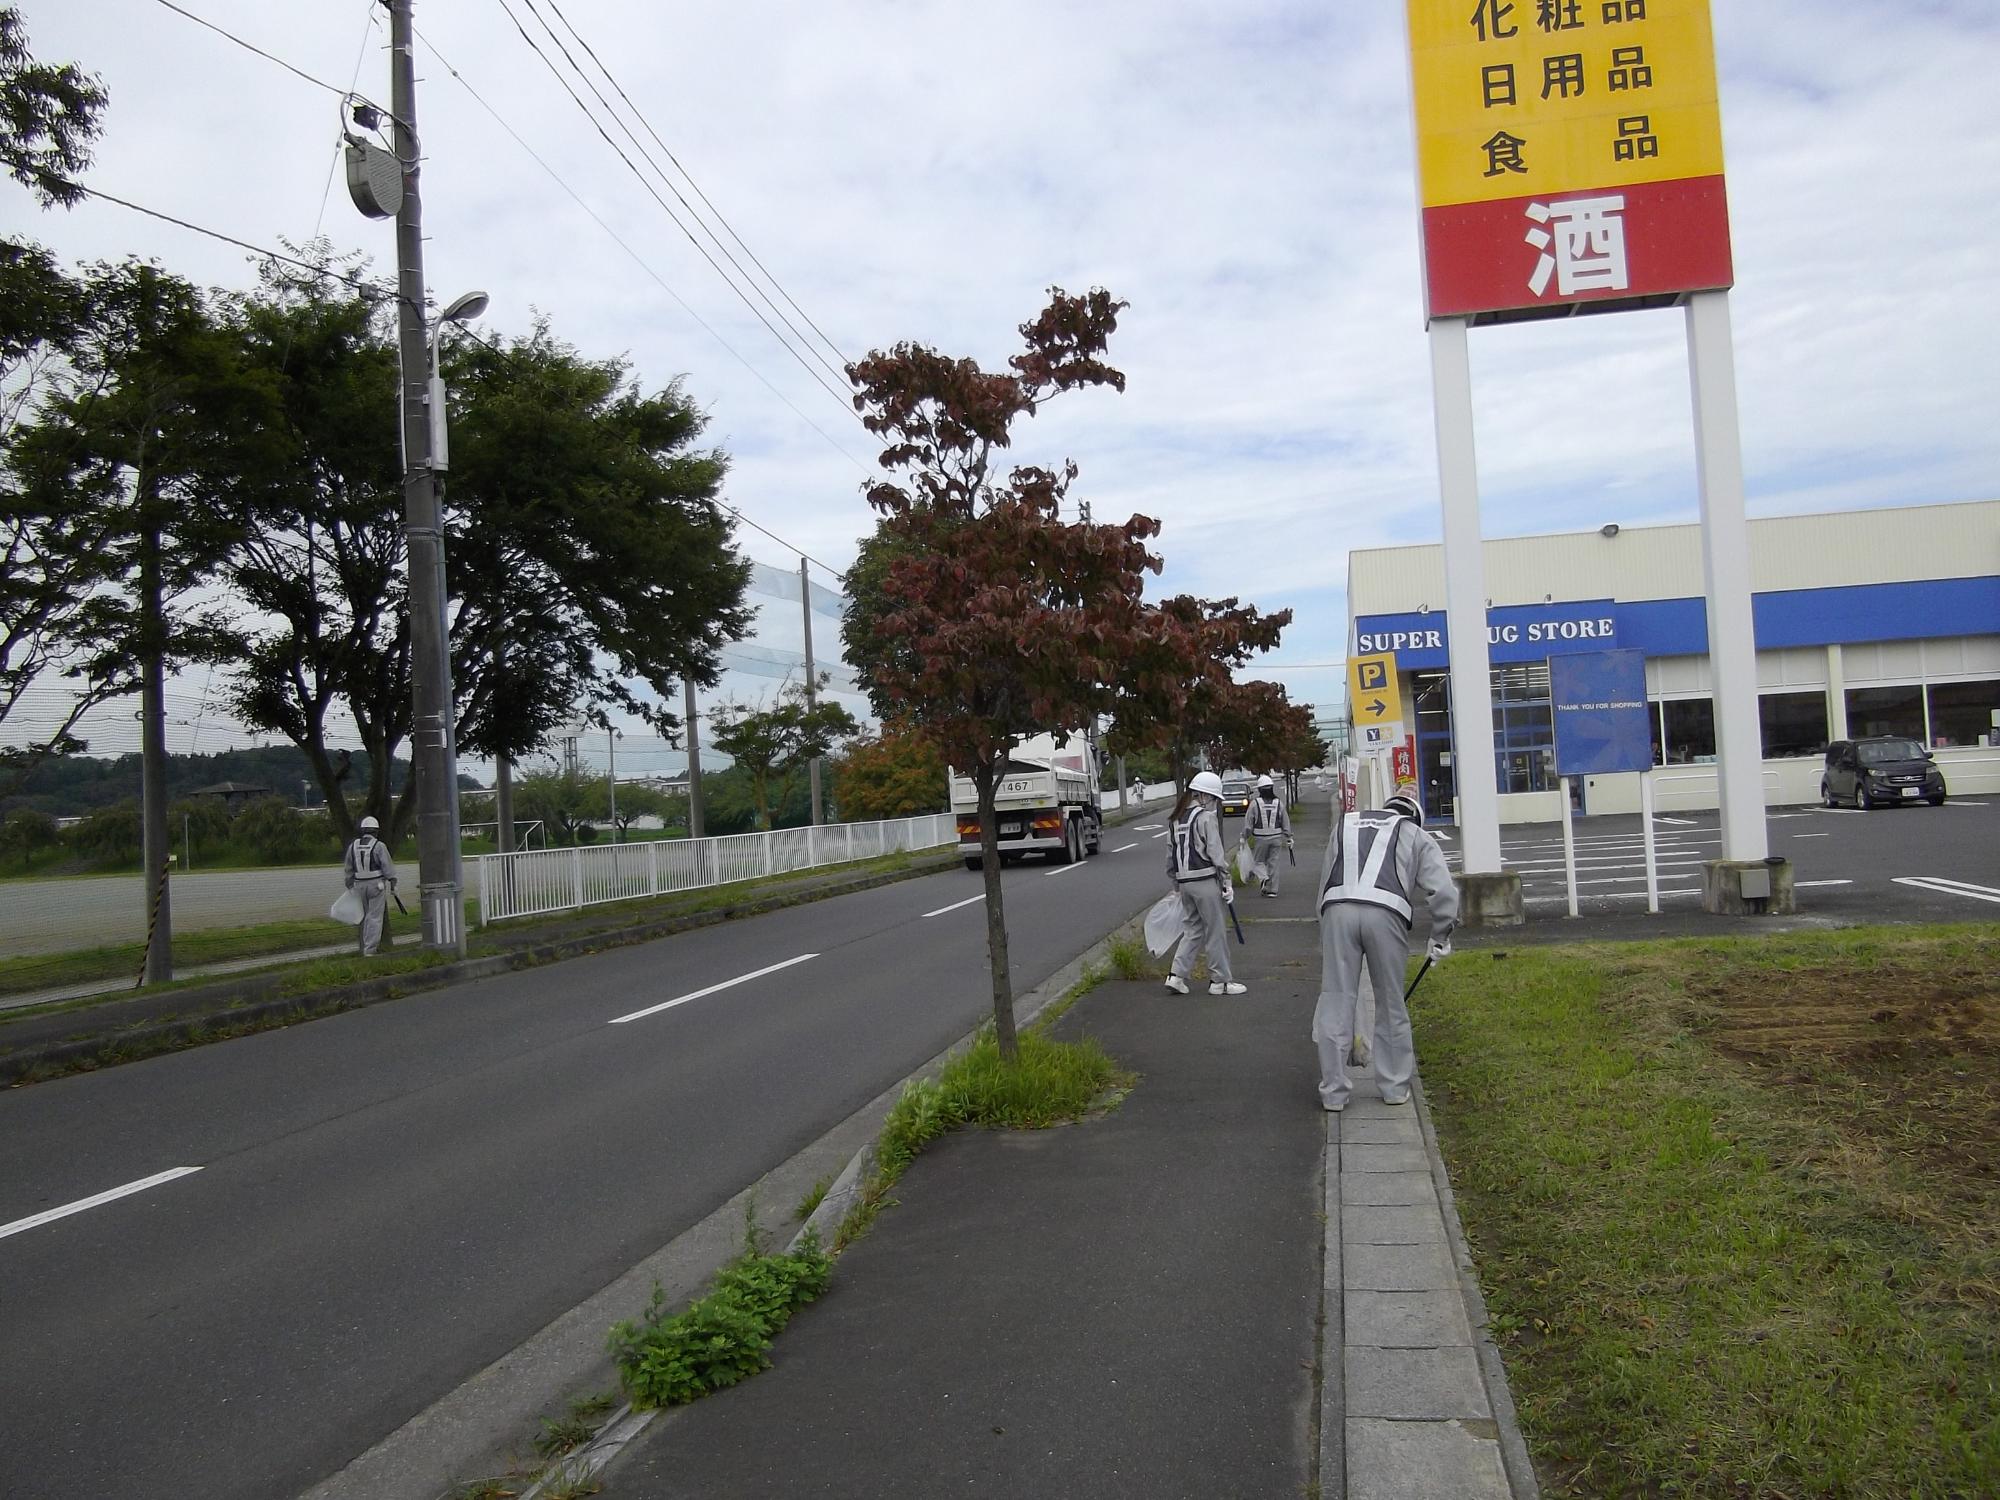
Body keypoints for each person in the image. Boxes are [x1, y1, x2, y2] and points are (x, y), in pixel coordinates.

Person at [1311, 790, 1457, 1111]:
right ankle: (1393, 1087)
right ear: (1413, 816)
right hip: (1386, 913)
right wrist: (1440, 934)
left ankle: (1334, 1092)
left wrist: (1326, 928)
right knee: (1391, 1001)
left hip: (1337, 909)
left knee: (1336, 999)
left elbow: (1324, 883)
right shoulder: (1415, 833)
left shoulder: (1345, 824)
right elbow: (1443, 890)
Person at [1164, 770, 1245, 996]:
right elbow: (1216, 855)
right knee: (1216, 930)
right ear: (1202, 795)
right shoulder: (1205, 818)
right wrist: (1227, 882)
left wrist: (1176, 885)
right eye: (1213, 799)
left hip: (1185, 884)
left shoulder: (1175, 820)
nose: (1214, 804)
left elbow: (1169, 857)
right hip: (1205, 881)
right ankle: (1221, 981)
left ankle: (1176, 976)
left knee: (1192, 929)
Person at [342, 814, 398, 956]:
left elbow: (348, 868)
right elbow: (387, 867)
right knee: (374, 917)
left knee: (365, 916)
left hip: (359, 885)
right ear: (376, 831)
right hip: (376, 885)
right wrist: (392, 882)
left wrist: (349, 884)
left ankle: (365, 947)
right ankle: (370, 950)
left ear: (363, 830)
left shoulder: (353, 846)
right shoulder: (379, 846)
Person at [1241, 773, 1294, 897]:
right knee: (1273, 864)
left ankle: (1264, 878)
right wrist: (1289, 836)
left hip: (1260, 838)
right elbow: (1285, 821)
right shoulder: (1278, 803)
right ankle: (1272, 890)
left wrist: (1244, 836)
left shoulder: (1255, 803)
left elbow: (1249, 824)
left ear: (1259, 789)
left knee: (1258, 862)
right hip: (1276, 838)